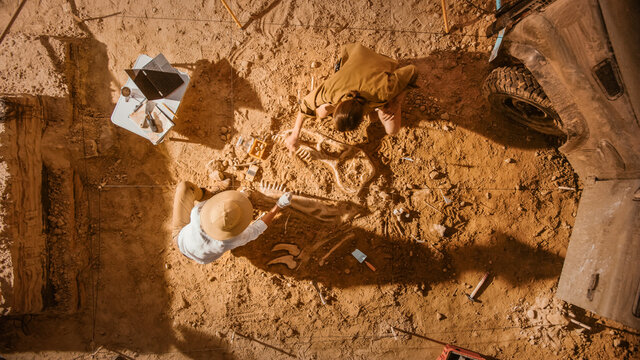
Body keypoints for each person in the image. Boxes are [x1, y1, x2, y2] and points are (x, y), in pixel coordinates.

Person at [285, 43, 418, 152]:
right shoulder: (330, 92)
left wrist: (396, 101)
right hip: (354, 53)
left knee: (392, 130)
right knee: (322, 111)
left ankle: (382, 108)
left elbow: (412, 70)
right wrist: (295, 134)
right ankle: (375, 110)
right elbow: (305, 106)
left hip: (382, 61)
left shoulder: (382, 92)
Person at [171, 180, 292, 264]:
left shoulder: (197, 212)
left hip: (181, 237)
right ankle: (208, 193)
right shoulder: (230, 240)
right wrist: (279, 205)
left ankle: (206, 193)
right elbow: (257, 229)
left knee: (185, 187)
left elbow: (218, 204)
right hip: (191, 247)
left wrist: (240, 195)